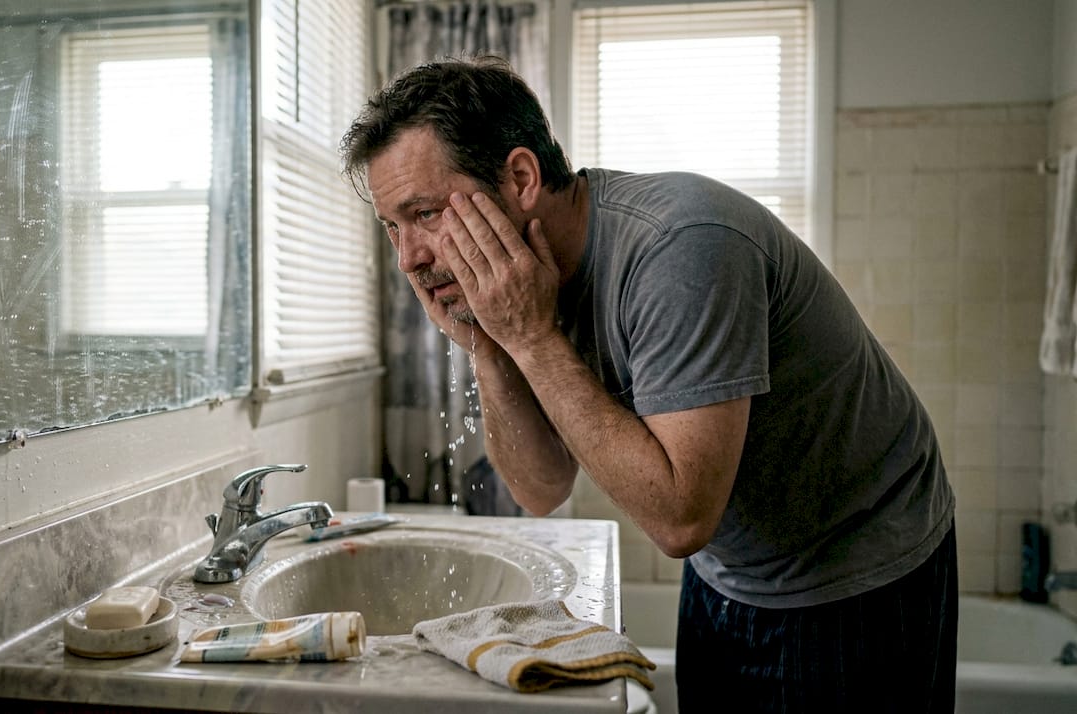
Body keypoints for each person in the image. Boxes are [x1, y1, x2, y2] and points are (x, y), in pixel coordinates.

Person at [341, 57, 957, 712]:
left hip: (860, 571)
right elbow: (540, 489)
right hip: (727, 571)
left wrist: (531, 338)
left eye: (425, 213)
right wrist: (488, 344)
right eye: (393, 227)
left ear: (520, 179)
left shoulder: (682, 247)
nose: (408, 257)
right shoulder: (524, 284)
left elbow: (680, 518)